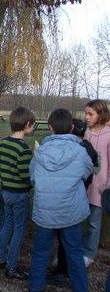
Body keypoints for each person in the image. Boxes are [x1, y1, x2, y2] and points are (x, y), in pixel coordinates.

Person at [28, 109, 93, 292]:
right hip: (71, 212)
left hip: (45, 213)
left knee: (40, 254)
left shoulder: (39, 153)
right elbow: (87, 172)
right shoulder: (80, 152)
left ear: (50, 128)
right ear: (72, 127)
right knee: (75, 253)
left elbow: (32, 179)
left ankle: (35, 287)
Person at [0, 106, 34, 280]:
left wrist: (5, 175)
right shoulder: (23, 149)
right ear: (27, 125)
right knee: (19, 230)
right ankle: (12, 267)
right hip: (19, 195)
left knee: (7, 225)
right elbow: (26, 177)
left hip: (5, 192)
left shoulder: (3, 143)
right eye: (33, 125)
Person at [53, 118, 100, 278]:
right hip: (79, 197)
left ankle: (62, 268)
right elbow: (91, 170)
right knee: (73, 236)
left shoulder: (71, 148)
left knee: (64, 234)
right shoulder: (89, 148)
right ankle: (72, 271)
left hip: (66, 196)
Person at [83, 99, 110, 267]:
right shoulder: (87, 132)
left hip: (100, 187)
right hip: (84, 184)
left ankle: (89, 254)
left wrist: (107, 186)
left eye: (90, 114)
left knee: (94, 222)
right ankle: (78, 248)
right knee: (80, 219)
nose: (86, 117)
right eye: (85, 113)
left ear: (100, 115)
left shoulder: (109, 134)